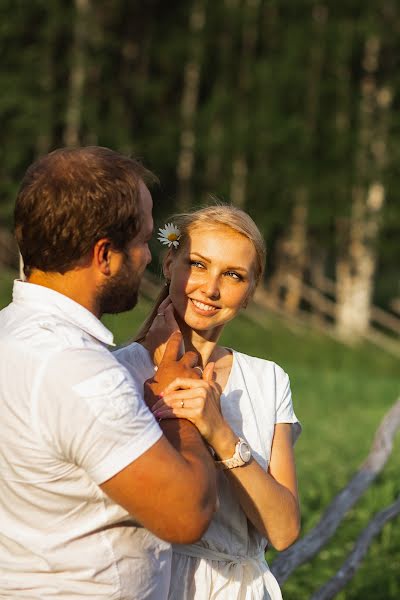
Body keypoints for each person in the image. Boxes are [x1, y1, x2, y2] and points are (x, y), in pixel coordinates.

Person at [0, 146, 217, 599]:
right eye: (141, 240)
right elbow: (187, 515)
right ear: (105, 255)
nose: (145, 256)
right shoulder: (80, 374)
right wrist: (176, 396)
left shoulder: (12, 333)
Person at [116, 205, 302, 599]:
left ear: (250, 290)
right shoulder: (118, 373)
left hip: (241, 587)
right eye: (197, 265)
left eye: (233, 275)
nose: (211, 288)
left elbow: (283, 531)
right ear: (169, 263)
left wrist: (219, 431)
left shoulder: (267, 379)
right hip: (151, 580)